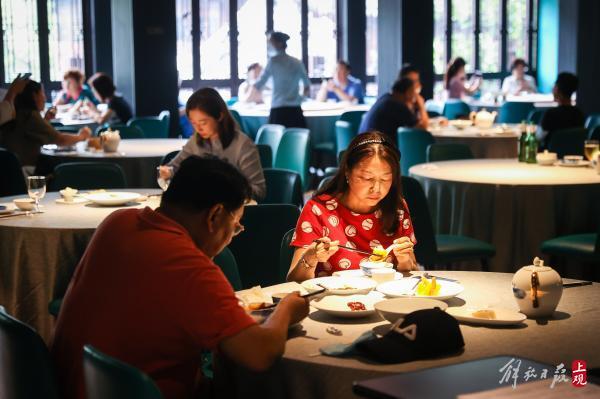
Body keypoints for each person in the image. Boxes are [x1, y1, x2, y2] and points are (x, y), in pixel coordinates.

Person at [51, 156, 309, 399]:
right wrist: (286, 309)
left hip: (74, 386)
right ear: (215, 215)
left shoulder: (117, 222)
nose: (232, 236)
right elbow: (259, 353)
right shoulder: (187, 264)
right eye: (236, 226)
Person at [287, 131, 417, 282]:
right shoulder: (318, 210)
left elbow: (413, 273)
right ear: (347, 172)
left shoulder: (397, 207)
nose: (376, 188)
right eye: (367, 178)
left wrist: (405, 260)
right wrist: (311, 257)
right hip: (332, 302)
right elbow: (293, 282)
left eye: (385, 179)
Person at [161, 87, 266, 200]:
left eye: (203, 122)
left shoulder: (242, 145)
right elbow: (174, 167)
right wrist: (167, 172)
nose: (198, 128)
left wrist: (228, 189)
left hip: (233, 212)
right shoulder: (196, 141)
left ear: (220, 116)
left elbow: (259, 191)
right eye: (193, 123)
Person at [0, 80, 90, 168]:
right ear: (35, 96)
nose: (45, 98)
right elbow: (60, 140)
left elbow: (32, 134)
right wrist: (81, 136)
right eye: (42, 94)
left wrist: (46, 120)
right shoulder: (30, 116)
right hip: (27, 172)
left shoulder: (18, 113)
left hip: (13, 172)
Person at [252, 31, 310, 128]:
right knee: (297, 140)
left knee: (275, 140)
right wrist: (300, 99)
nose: (268, 45)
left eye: (270, 42)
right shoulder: (297, 62)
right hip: (295, 109)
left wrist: (251, 79)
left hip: (278, 109)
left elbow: (259, 84)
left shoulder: (272, 62)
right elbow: (307, 86)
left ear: (278, 43)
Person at [359, 78, 427, 144]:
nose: (415, 96)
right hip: (377, 151)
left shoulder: (386, 98)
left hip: (365, 147)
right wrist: (421, 105)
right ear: (408, 92)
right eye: (414, 92)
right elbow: (422, 129)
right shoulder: (397, 105)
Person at [538, 72, 585, 148]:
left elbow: (538, 138)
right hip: (573, 155)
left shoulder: (550, 114)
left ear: (557, 89)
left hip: (549, 156)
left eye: (554, 86)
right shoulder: (579, 114)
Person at [398, 63, 429, 128]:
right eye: (411, 82)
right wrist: (421, 106)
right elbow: (422, 127)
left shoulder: (409, 102)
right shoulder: (399, 104)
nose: (416, 85)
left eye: (417, 81)